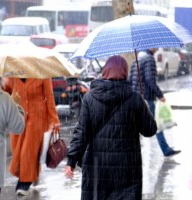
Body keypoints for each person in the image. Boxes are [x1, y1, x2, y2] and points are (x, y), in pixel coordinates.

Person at [64, 55, 157, 200]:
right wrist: (145, 107)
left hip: (98, 167)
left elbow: (82, 132)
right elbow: (150, 130)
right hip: (127, 169)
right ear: (125, 72)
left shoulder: (89, 98)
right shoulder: (135, 99)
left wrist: (71, 161)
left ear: (105, 72)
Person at [1, 77, 60, 198]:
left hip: (37, 117)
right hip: (18, 116)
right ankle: (31, 173)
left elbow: (49, 97)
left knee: (28, 152)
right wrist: (4, 84)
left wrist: (54, 120)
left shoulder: (42, 73)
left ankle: (24, 184)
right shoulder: (13, 74)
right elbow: (6, 93)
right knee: (17, 152)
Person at [129, 48, 181, 157]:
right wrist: (160, 95)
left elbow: (130, 80)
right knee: (155, 124)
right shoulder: (149, 59)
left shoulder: (136, 59)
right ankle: (165, 149)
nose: (157, 48)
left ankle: (130, 152)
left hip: (135, 98)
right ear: (150, 47)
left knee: (134, 127)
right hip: (146, 99)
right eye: (155, 46)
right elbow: (149, 79)